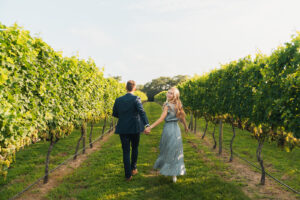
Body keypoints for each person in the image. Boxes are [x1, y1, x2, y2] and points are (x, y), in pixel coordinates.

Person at [145, 87, 188, 183]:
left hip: (168, 129)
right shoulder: (178, 104)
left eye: (171, 93)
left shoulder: (167, 105)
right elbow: (182, 118)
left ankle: (170, 171)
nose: (168, 94)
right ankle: (173, 173)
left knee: (167, 149)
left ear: (175, 96)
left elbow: (161, 119)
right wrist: (185, 127)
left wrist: (150, 127)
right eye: (168, 92)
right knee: (176, 150)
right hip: (176, 129)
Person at [112, 80, 150, 181]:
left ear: (126, 88)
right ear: (134, 88)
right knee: (135, 148)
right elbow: (142, 112)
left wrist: (124, 117)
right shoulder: (136, 98)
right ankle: (133, 168)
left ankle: (128, 175)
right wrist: (147, 124)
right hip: (135, 127)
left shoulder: (118, 100)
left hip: (123, 128)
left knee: (125, 151)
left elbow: (115, 113)